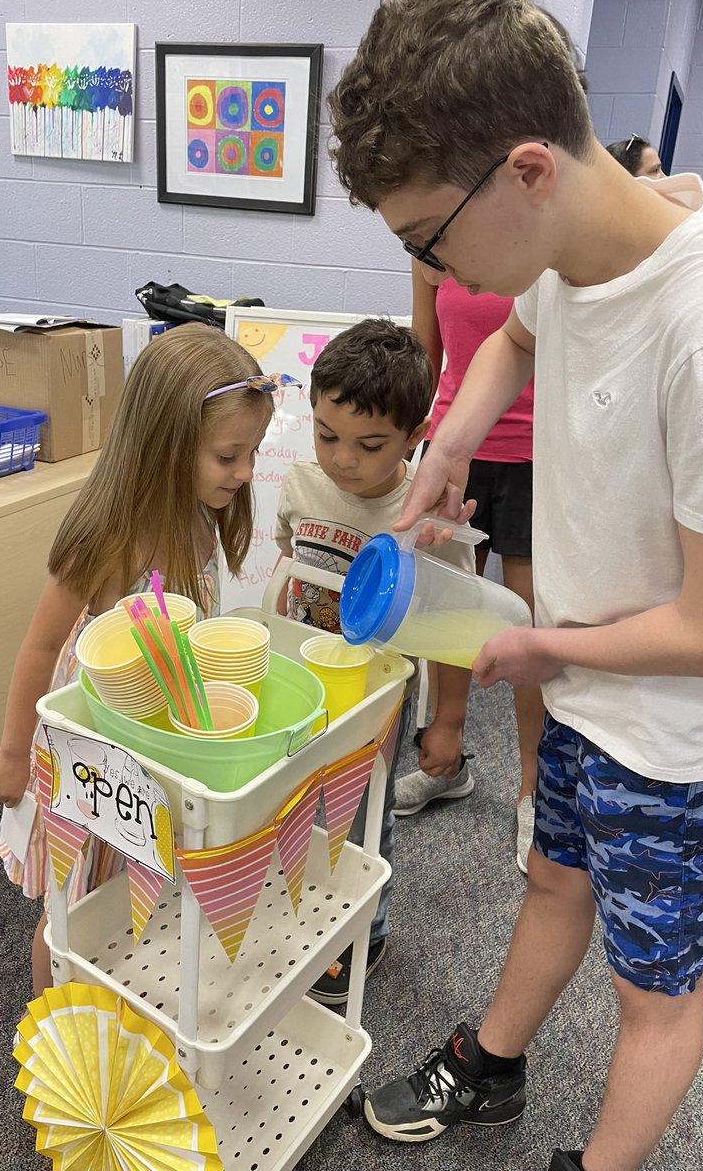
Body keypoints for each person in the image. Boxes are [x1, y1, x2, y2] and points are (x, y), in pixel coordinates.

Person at [327, 0, 703, 1170]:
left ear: (526, 171)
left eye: (430, 239)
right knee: (556, 876)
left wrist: (543, 648)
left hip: (675, 742)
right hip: (581, 693)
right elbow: (516, 340)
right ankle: (495, 1067)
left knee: (655, 996)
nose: (435, 269)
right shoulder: (568, 259)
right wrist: (451, 443)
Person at [0, 324, 276, 999]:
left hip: (147, 745)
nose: (247, 473)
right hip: (89, 753)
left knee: (127, 889)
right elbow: (39, 646)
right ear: (165, 448)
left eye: (253, 453)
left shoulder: (201, 518)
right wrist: (11, 753)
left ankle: (108, 1009)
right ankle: (57, 1033)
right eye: (230, 455)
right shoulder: (110, 539)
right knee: (73, 904)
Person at [275, 317, 475, 1005]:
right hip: (298, 684)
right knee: (292, 806)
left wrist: (446, 722)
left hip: (378, 704)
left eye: (369, 444)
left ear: (415, 438)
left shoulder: (425, 518)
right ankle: (295, 909)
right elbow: (288, 559)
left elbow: (456, 634)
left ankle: (366, 929)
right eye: (326, 435)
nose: (342, 460)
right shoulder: (301, 485)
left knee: (362, 817)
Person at [401, 266, 542, 874]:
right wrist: (404, 436)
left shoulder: (536, 240)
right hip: (455, 444)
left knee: (532, 628)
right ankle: (446, 756)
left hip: (537, 451)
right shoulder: (432, 250)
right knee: (446, 609)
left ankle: (535, 791)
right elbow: (424, 347)